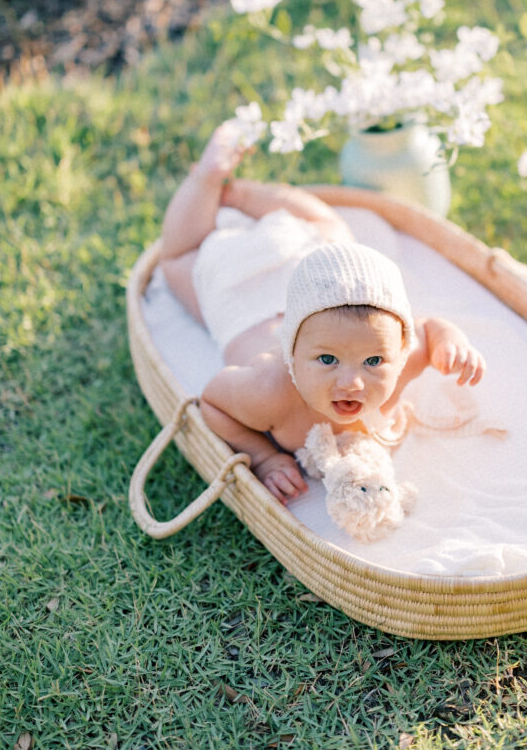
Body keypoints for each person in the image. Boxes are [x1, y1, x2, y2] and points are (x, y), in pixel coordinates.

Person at [160, 123, 485, 504]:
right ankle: (211, 179)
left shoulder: (399, 358)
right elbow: (213, 402)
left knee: (327, 227)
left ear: (399, 350)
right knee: (180, 259)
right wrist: (263, 457)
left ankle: (240, 192)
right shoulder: (271, 390)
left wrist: (450, 342)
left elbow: (427, 330)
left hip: (315, 269)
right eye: (327, 359)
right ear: (291, 356)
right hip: (243, 298)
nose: (352, 383)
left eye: (374, 361)